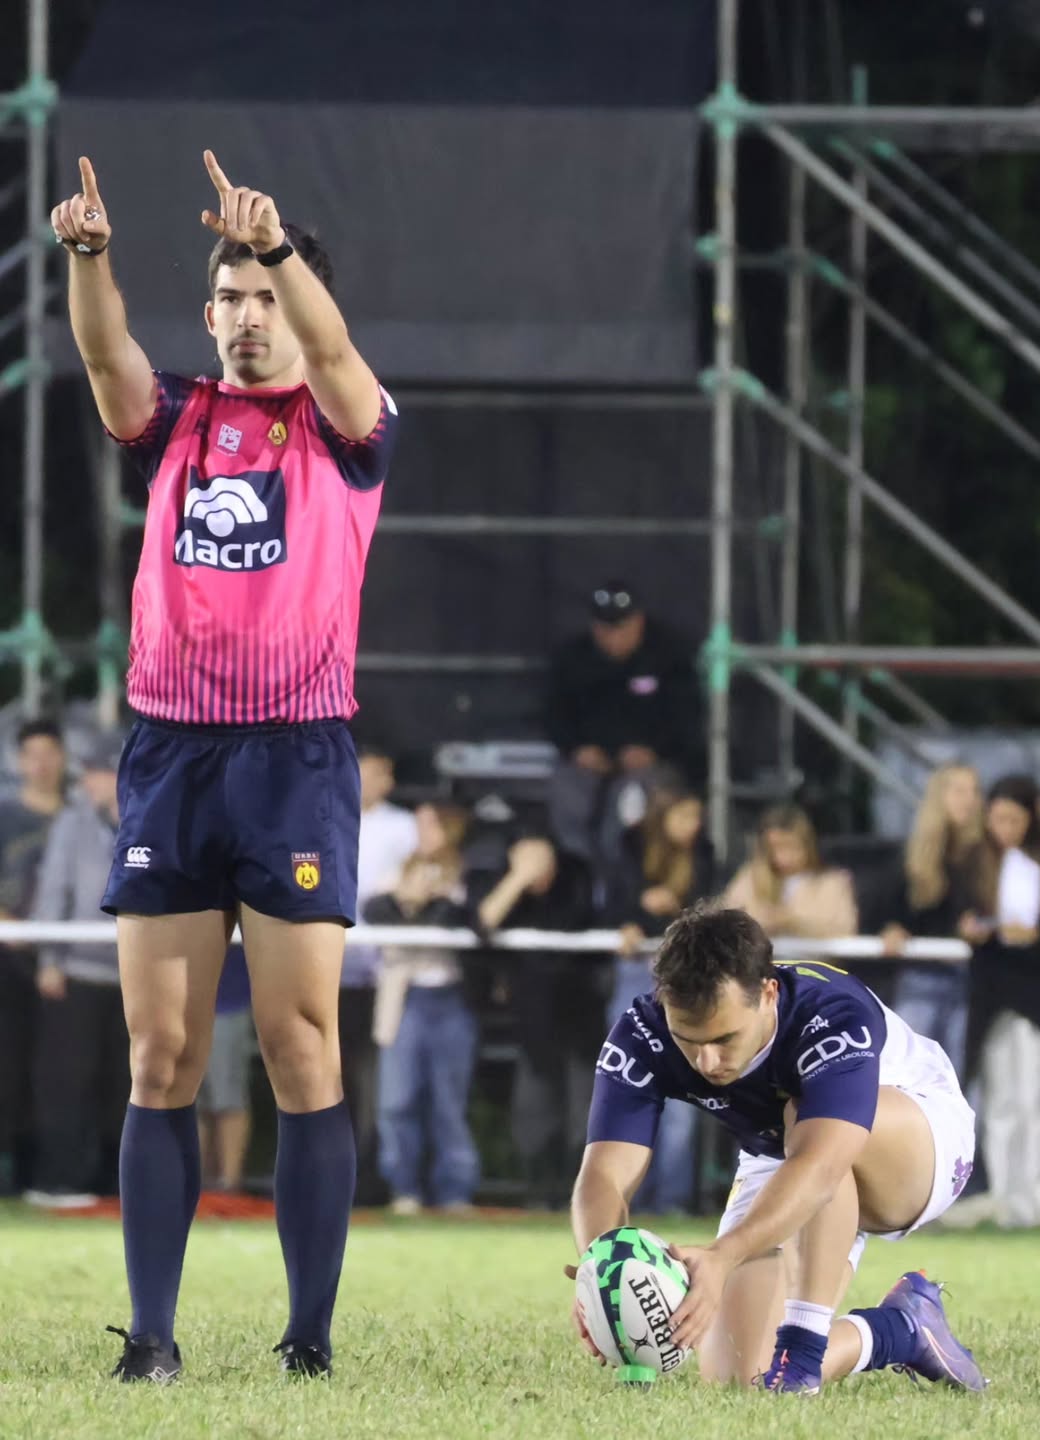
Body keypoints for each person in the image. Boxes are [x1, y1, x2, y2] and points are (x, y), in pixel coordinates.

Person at [52, 149, 397, 1381]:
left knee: (303, 1048)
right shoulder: (178, 422)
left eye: (266, 298)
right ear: (207, 316)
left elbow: (337, 351)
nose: (250, 317)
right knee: (162, 1056)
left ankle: (309, 1339)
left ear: (299, 303)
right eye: (230, 300)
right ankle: (151, 1339)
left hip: (295, 758)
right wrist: (91, 257)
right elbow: (105, 356)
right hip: (172, 753)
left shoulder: (349, 428)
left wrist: (282, 248)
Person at [568, 901, 986, 1396]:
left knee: (806, 1122)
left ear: (768, 994)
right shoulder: (643, 1032)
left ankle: (803, 1353)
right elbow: (604, 1173)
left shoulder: (829, 1013)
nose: (707, 1060)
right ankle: (902, 1328)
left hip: (919, 1136)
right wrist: (604, 1268)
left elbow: (823, 1164)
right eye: (688, 1040)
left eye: (725, 1039)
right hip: (786, 1154)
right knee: (738, 1377)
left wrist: (723, 1256)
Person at [956, 774, 1040, 1229]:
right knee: (1003, 1100)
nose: (1004, 828)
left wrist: (1037, 934)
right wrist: (971, 927)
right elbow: (956, 911)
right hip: (996, 993)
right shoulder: (976, 862)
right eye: (997, 819)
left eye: (1013, 819)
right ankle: (1009, 1200)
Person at [470, 833, 598, 1209]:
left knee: (584, 1118)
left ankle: (581, 1198)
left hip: (581, 1020)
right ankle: (539, 1196)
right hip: (534, 1026)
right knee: (533, 1115)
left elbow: (574, 923)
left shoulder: (575, 880)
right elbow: (482, 923)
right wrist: (517, 880)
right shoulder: (508, 889)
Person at [26, 734, 126, 1207]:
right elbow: (54, 890)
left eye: (99, 772)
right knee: (68, 1079)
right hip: (79, 970)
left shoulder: (148, 821)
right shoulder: (72, 822)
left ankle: (118, 1182)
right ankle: (63, 1178)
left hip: (133, 976)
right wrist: (50, 959)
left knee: (126, 1082)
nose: (90, 782)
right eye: (88, 773)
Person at [604, 784, 713, 1213]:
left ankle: (671, 1200)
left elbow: (711, 914)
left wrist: (677, 910)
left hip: (686, 979)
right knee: (630, 1087)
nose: (693, 827)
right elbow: (611, 905)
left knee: (682, 1096)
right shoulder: (629, 847)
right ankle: (627, 1199)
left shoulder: (704, 854)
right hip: (636, 974)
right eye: (684, 817)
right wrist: (631, 919)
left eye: (696, 818)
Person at [366, 804, 479, 1214]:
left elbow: (452, 916)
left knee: (449, 1102)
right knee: (397, 1100)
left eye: (431, 826)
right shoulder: (398, 872)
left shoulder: (464, 875)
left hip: (449, 997)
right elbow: (374, 910)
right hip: (404, 998)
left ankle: (455, 1191)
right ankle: (404, 1189)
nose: (422, 834)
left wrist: (421, 903)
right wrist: (407, 901)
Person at [545, 581, 705, 864]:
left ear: (638, 621)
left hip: (651, 764)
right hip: (589, 762)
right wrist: (577, 749)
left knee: (628, 804)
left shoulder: (669, 656)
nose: (612, 638)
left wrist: (654, 750)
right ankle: (581, 874)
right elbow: (554, 714)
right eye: (604, 629)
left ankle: (624, 875)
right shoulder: (574, 658)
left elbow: (687, 717)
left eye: (620, 628)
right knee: (569, 795)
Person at [341, 743, 418, 1205]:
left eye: (382, 774)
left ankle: (374, 1177)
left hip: (384, 977)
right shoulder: (325, 815)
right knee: (331, 1078)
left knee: (377, 1084)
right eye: (368, 772)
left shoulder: (403, 827)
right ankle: (334, 1174)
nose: (375, 782)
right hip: (330, 972)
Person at [879, 765, 983, 1077]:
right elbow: (893, 910)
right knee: (908, 1067)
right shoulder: (914, 856)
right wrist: (893, 928)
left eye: (974, 791)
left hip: (971, 975)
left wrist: (977, 924)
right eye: (959, 790)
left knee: (960, 1072)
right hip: (922, 973)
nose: (969, 799)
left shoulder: (985, 856)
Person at [0, 718, 67, 1195]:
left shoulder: (80, 815)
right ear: (19, 761)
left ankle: (44, 1170)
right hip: (8, 957)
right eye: (32, 755)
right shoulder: (5, 815)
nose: (40, 765)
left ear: (62, 758)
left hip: (63, 961)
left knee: (55, 1071)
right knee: (8, 1065)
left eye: (49, 754)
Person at [719, 804, 857, 943]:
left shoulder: (831, 882)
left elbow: (845, 930)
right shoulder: (750, 878)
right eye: (774, 848)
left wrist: (794, 923)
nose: (782, 857)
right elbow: (727, 916)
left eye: (790, 847)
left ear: (807, 844)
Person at [197, 946, 254, 1194]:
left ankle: (230, 1184)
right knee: (191, 1101)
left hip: (227, 999)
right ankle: (198, 1182)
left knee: (227, 1096)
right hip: (183, 1001)